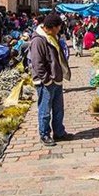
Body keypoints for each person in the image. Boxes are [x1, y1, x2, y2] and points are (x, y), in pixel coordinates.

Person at [28, 13, 72, 147]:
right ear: (51, 27)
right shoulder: (38, 40)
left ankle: (59, 132)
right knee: (45, 110)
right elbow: (37, 63)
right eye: (58, 27)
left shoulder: (52, 36)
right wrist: (47, 80)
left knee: (58, 109)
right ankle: (44, 134)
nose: (59, 30)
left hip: (56, 79)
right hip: (45, 82)